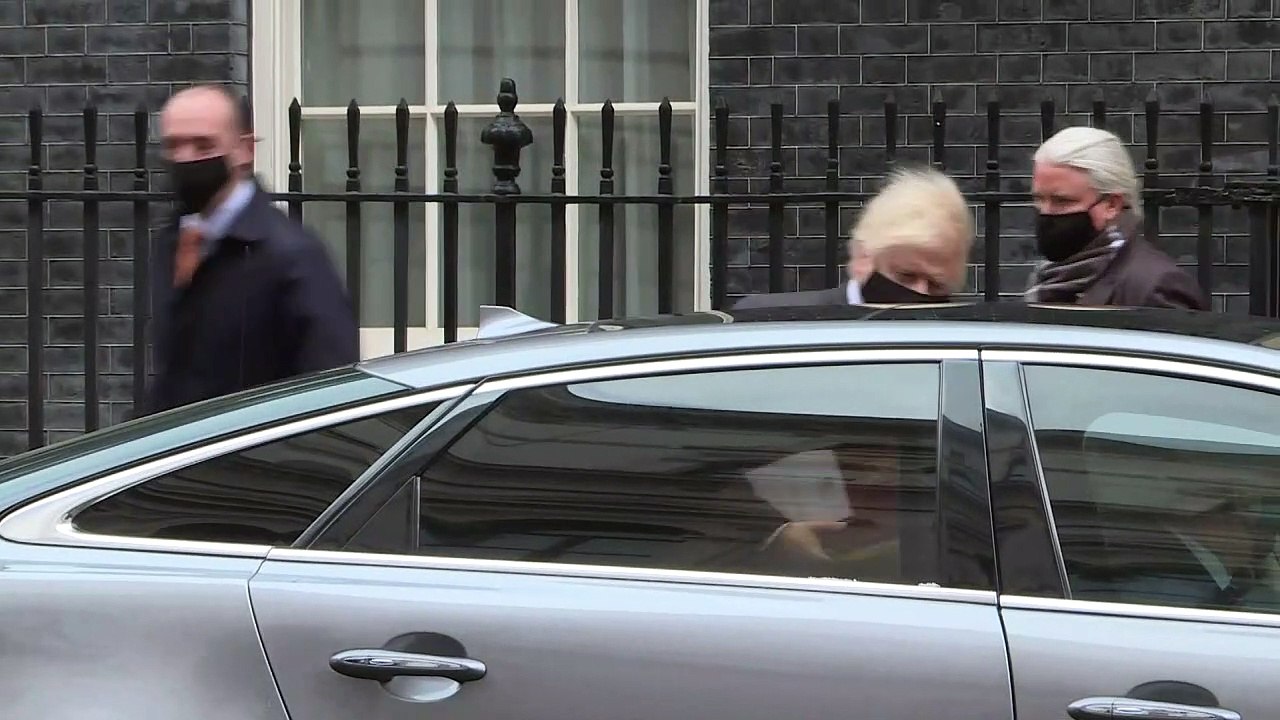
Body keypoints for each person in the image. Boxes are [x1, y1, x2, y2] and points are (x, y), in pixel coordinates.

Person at [142, 84, 359, 415]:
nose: (186, 158)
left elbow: (329, 383)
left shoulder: (291, 256)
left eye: (203, 145)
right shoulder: (174, 241)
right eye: (174, 145)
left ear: (244, 150)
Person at [734, 166, 973, 309]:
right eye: (906, 275)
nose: (920, 294)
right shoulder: (772, 324)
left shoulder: (961, 345)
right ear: (862, 258)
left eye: (936, 284)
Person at [1027, 126, 1207, 309]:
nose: (1045, 212)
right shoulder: (1051, 278)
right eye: (1039, 199)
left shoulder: (1157, 288)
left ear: (1112, 205)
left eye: (1062, 201)